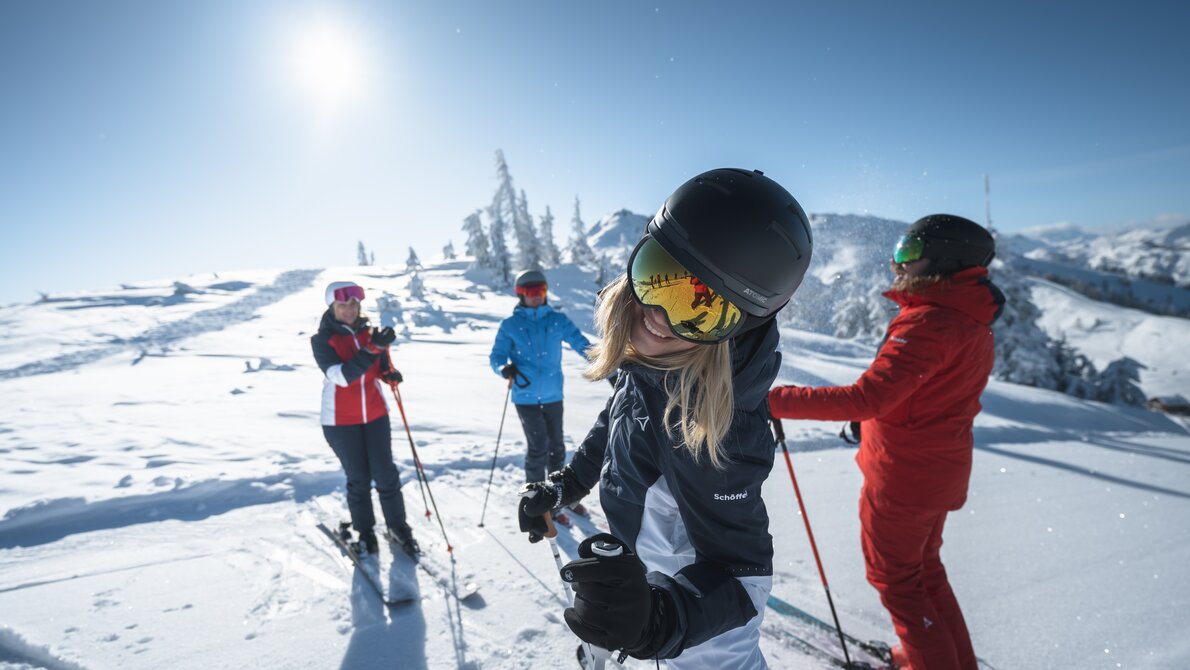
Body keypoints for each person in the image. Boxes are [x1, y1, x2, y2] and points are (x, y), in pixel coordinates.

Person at [517, 168, 813, 668]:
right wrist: (564, 486)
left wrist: (665, 619)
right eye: (658, 276)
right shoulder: (653, 365)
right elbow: (617, 423)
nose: (657, 314)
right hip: (646, 600)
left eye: (701, 308)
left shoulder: (717, 430)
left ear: (737, 329)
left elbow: (745, 577)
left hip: (705, 641)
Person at [768, 214, 1003, 670]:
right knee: (925, 574)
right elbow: (927, 395)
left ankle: (929, 660)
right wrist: (873, 422)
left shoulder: (930, 322)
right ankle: (946, 660)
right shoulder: (968, 317)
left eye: (909, 253)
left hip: (903, 478)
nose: (897, 263)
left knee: (896, 581)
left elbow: (867, 396)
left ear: (945, 261)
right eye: (898, 249)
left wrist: (772, 400)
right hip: (935, 471)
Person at [311, 281, 418, 556]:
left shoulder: (370, 334)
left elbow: (380, 368)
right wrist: (372, 349)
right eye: (342, 305)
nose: (349, 309)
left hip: (375, 415)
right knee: (358, 478)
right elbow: (342, 376)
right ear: (332, 307)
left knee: (386, 475)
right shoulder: (322, 340)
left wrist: (389, 374)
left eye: (354, 304)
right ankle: (365, 531)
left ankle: (398, 527)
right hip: (340, 421)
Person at [489, 270, 593, 524]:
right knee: (538, 449)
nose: (536, 297)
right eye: (531, 293)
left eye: (541, 292)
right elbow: (496, 357)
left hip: (552, 395)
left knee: (557, 449)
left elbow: (582, 344)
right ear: (521, 294)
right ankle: (537, 503)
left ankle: (562, 498)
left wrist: (607, 364)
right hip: (525, 397)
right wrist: (504, 368)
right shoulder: (510, 325)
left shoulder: (557, 320)